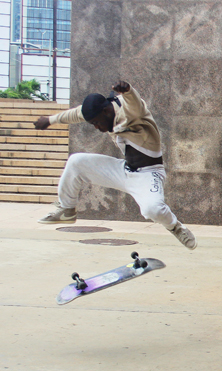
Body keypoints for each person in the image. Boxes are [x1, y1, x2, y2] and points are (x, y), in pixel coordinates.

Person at [34, 81, 197, 250]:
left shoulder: (131, 112)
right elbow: (76, 114)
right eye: (93, 125)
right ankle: (67, 210)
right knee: (76, 162)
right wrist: (50, 120)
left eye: (97, 123)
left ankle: (176, 227)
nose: (97, 127)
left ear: (106, 111)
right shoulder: (100, 110)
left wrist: (128, 90)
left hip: (149, 174)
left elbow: (135, 103)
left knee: (152, 209)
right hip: (124, 170)